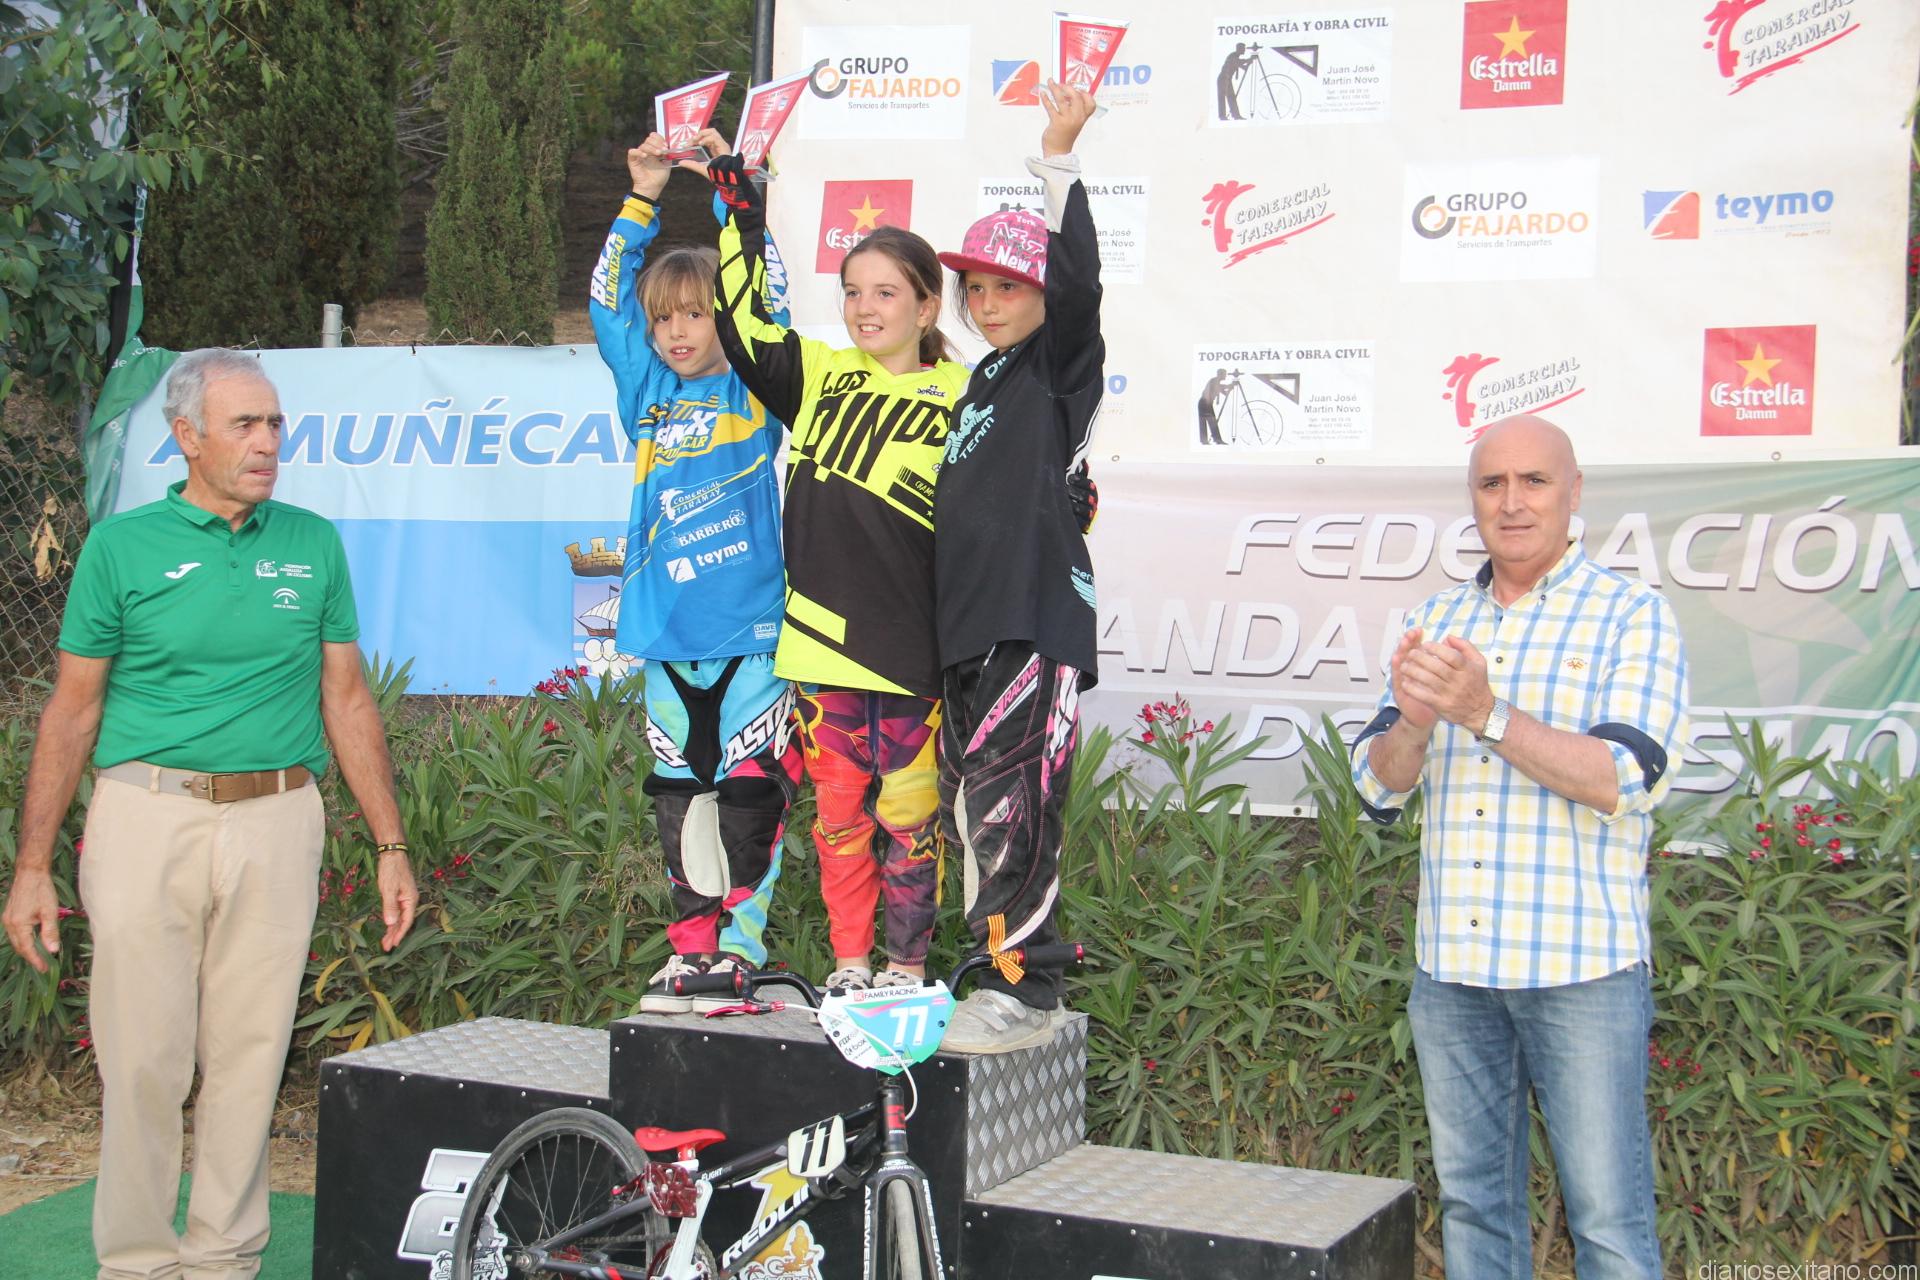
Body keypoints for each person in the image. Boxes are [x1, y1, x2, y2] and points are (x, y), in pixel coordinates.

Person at [1, 348, 419, 1279]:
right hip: (146, 818)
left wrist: (390, 843)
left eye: (275, 424)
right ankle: (138, 1263)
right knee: (144, 1059)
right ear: (187, 436)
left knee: (251, 1054)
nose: (268, 442)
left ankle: (225, 1259)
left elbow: (347, 700)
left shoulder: (313, 543)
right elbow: (72, 711)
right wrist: (32, 866)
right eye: (245, 425)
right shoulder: (121, 548)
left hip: (279, 818)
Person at [1349, 414, 1687, 1279]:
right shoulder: (1436, 619)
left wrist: (1485, 713)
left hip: (1582, 973)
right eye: (1492, 483)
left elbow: (1623, 776)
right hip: (1453, 975)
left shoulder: (1632, 616)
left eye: (1534, 480)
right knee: (1473, 1207)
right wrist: (1414, 726)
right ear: (1473, 499)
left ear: (1574, 493)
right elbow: (1378, 789)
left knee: (1608, 1222)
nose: (1512, 502)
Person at [701, 147, 969, 993]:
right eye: (852, 292)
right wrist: (741, 218)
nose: (864, 308)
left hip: (916, 654)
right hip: (821, 650)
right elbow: (742, 325)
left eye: (885, 292)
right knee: (840, 824)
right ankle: (852, 965)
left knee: (912, 824)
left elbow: (1025, 508)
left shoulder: (968, 397)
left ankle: (906, 966)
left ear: (927, 305)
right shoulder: (819, 374)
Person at [591, 129, 801, 1013]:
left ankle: (739, 952)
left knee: (750, 797)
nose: (676, 332)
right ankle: (692, 952)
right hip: (665, 633)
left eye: (695, 314)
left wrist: (730, 189)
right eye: (664, 318)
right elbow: (605, 304)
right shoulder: (647, 393)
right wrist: (641, 197)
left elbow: (767, 294)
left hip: (753, 631)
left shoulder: (758, 384)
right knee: (681, 796)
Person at [930, 81, 1102, 1053]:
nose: (990, 303)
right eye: (978, 289)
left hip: (1031, 625)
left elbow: (1080, 288)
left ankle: (1025, 987)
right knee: (973, 814)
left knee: (1012, 805)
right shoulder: (979, 384)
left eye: (1009, 286)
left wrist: (1059, 159)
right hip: (968, 634)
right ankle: (992, 971)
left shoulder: (1057, 368)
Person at [1197, 368, 1231, 446]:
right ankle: (1211, 440)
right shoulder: (1214, 381)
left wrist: (1230, 388)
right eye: (1224, 374)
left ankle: (1212, 440)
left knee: (1210, 421)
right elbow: (1219, 387)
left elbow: (1224, 393)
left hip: (1205, 403)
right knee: (1209, 421)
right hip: (1205, 403)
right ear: (1220, 374)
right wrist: (1228, 386)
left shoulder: (1216, 382)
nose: (1225, 376)